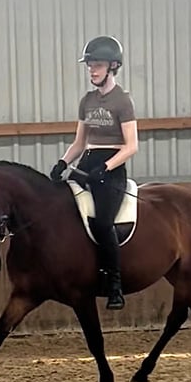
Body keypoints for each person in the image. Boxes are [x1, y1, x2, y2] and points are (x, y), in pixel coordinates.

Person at [49, 35, 139, 310]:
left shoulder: (122, 101)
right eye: (89, 66)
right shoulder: (86, 101)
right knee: (58, 206)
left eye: (97, 65)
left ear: (112, 66)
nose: (92, 71)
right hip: (87, 161)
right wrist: (63, 163)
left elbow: (132, 145)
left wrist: (106, 166)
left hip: (112, 168)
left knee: (102, 223)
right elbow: (79, 142)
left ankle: (114, 284)